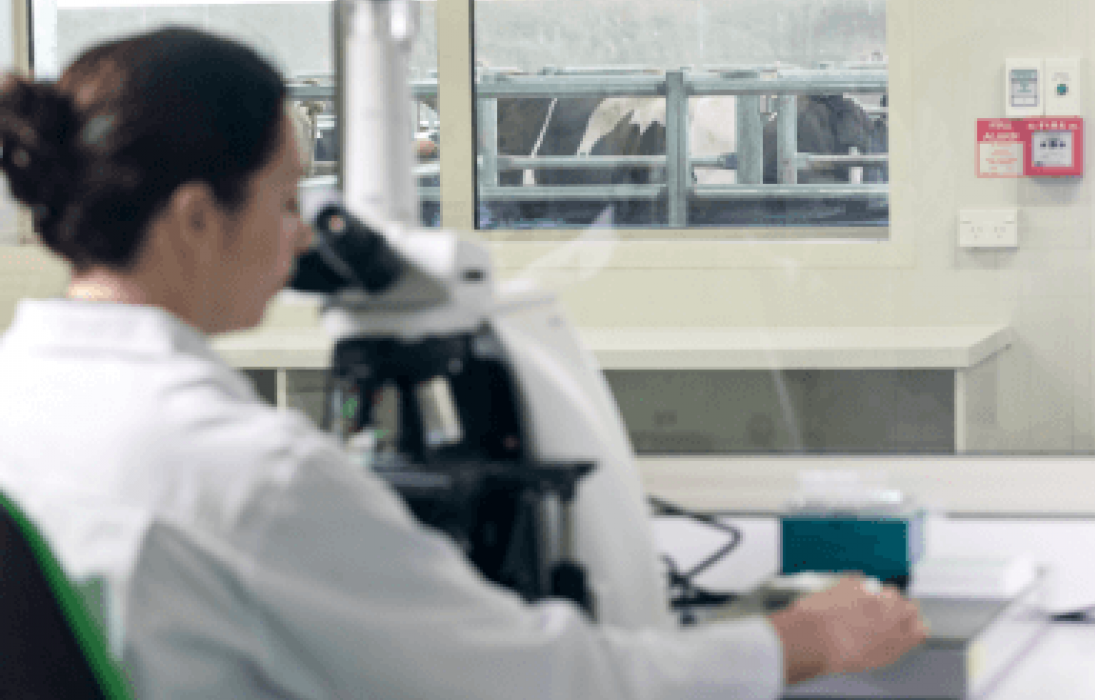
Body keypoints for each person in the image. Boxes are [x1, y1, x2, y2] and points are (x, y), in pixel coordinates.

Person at [0, 28, 927, 699]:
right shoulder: (250, 475)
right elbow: (544, 683)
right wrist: (799, 640)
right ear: (197, 218)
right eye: (287, 202)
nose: (296, 243)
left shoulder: (21, 395)